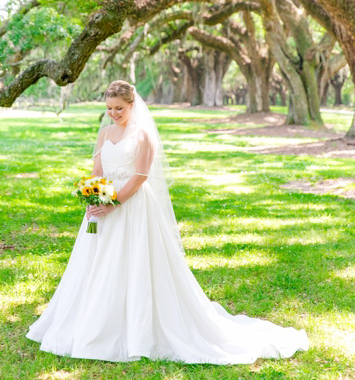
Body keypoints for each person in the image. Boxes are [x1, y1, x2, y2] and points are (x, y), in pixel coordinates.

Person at [26, 80, 309, 364]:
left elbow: (140, 177)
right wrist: (93, 199)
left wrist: (113, 203)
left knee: (136, 262)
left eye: (119, 108)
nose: (113, 113)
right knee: (98, 263)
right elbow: (97, 170)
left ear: (132, 105)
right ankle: (93, 321)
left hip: (132, 205)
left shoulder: (143, 135)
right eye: (109, 108)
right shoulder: (105, 133)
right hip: (104, 204)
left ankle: (138, 329)